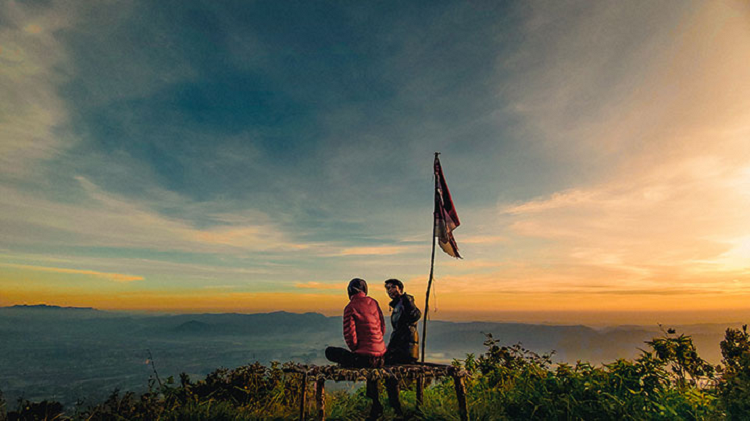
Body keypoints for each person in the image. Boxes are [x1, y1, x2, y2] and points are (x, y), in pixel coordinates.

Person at [325, 278, 386, 420]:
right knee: (372, 372)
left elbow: (350, 337)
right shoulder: (374, 303)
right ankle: (375, 406)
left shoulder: (350, 307)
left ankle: (375, 407)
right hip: (381, 358)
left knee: (330, 352)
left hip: (364, 359)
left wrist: (357, 349)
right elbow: (382, 328)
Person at [383, 278, 422, 418]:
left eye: (393, 287)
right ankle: (396, 408)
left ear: (400, 288)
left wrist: (406, 300)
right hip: (401, 346)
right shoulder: (397, 305)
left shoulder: (406, 301)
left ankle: (396, 410)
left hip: (406, 348)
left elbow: (415, 315)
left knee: (388, 371)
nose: (390, 291)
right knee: (386, 370)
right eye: (387, 288)